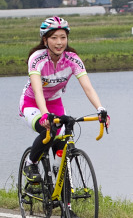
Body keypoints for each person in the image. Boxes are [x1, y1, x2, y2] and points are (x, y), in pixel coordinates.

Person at [19, 16, 109, 184]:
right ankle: (30, 163)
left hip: (55, 102)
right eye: (54, 38)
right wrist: (45, 114)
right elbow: (38, 90)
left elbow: (88, 87)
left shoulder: (72, 59)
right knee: (51, 130)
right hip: (32, 103)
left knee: (64, 142)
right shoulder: (37, 59)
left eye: (63, 37)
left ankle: (65, 204)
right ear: (45, 40)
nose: (59, 42)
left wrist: (100, 109)